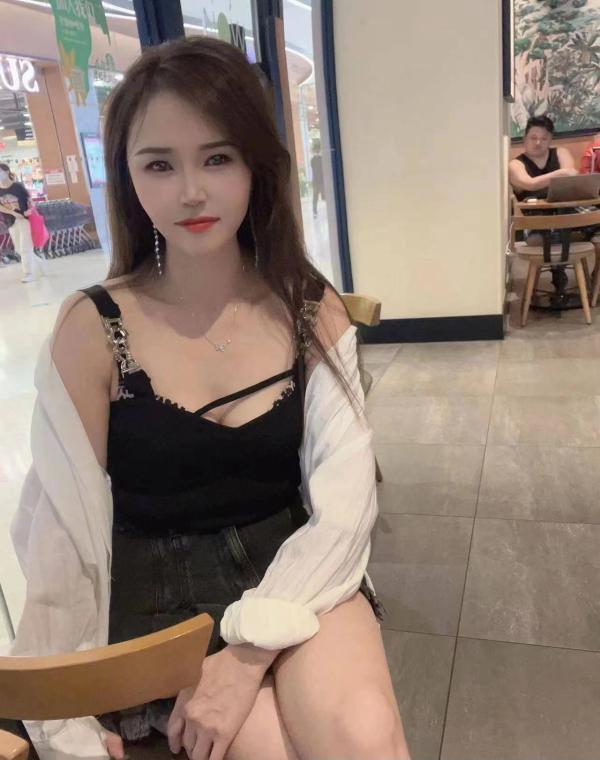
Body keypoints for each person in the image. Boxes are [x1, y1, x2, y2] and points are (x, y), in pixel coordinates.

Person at [9, 37, 411, 760]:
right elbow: (61, 534)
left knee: (364, 732)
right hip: (161, 594)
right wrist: (64, 710)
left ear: (255, 165)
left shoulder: (310, 308)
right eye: (159, 164)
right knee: (267, 748)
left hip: (295, 559)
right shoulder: (93, 328)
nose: (191, 191)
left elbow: (347, 501)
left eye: (217, 158)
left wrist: (249, 654)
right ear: (128, 179)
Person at [509, 115, 579, 293]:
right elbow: (529, 184)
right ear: (525, 138)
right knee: (550, 236)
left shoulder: (561, 152)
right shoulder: (515, 164)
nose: (538, 142)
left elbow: (572, 176)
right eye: (533, 138)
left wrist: (565, 174)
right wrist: (561, 174)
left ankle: (594, 284)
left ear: (550, 139)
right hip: (537, 225)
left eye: (544, 138)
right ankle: (559, 274)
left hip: (569, 217)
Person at [0, 163, 41, 283]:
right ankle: (41, 264)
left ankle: (28, 273)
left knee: (25, 247)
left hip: (24, 220)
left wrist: (30, 209)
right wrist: (12, 213)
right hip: (11, 221)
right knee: (18, 249)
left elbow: (30, 200)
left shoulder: (18, 186)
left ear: (6, 172)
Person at [310, 141, 324, 218]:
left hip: (317, 181)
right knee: (317, 197)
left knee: (316, 197)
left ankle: (315, 212)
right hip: (319, 181)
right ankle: (314, 212)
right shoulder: (318, 159)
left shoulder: (314, 159)